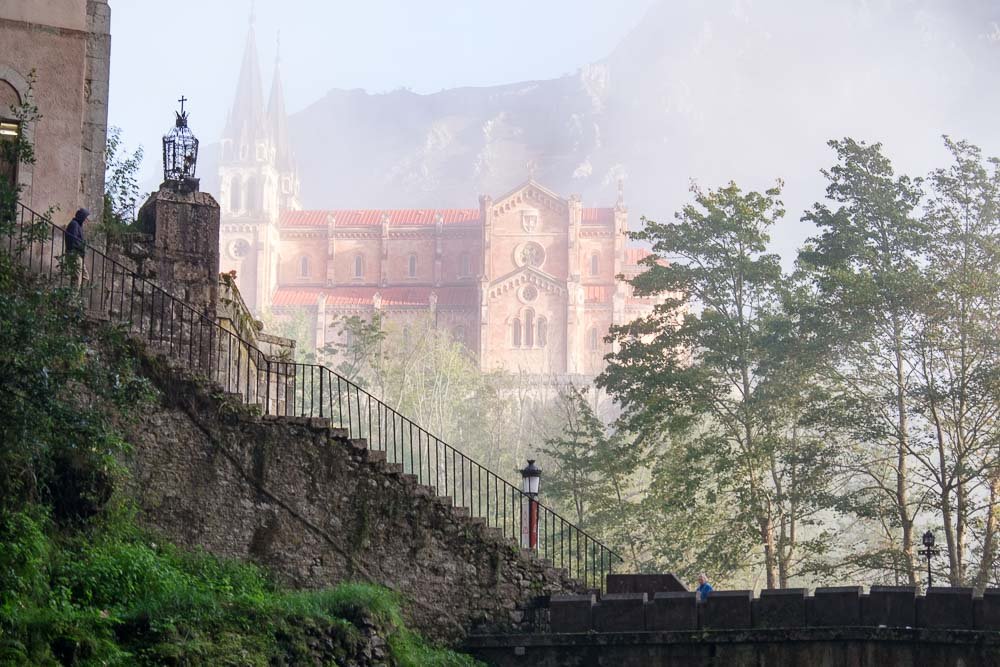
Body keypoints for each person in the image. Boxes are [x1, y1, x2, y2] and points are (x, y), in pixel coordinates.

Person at [63, 208, 89, 286]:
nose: (85, 219)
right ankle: (72, 297)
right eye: (85, 217)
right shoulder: (74, 224)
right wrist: (80, 247)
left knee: (85, 277)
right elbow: (72, 240)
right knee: (76, 278)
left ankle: (75, 295)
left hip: (79, 254)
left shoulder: (78, 225)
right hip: (75, 254)